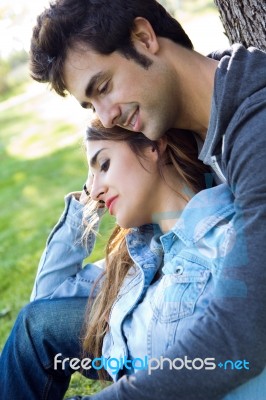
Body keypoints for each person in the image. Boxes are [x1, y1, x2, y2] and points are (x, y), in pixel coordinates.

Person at [2, 0, 266, 398]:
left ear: (144, 38)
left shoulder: (255, 126)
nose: (105, 118)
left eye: (103, 87)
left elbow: (244, 327)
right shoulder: (192, 121)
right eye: (91, 105)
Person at [1, 119, 265, 400]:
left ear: (153, 146)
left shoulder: (224, 240)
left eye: (104, 165)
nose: (97, 189)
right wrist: (86, 204)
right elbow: (40, 313)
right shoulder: (138, 253)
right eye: (91, 180)